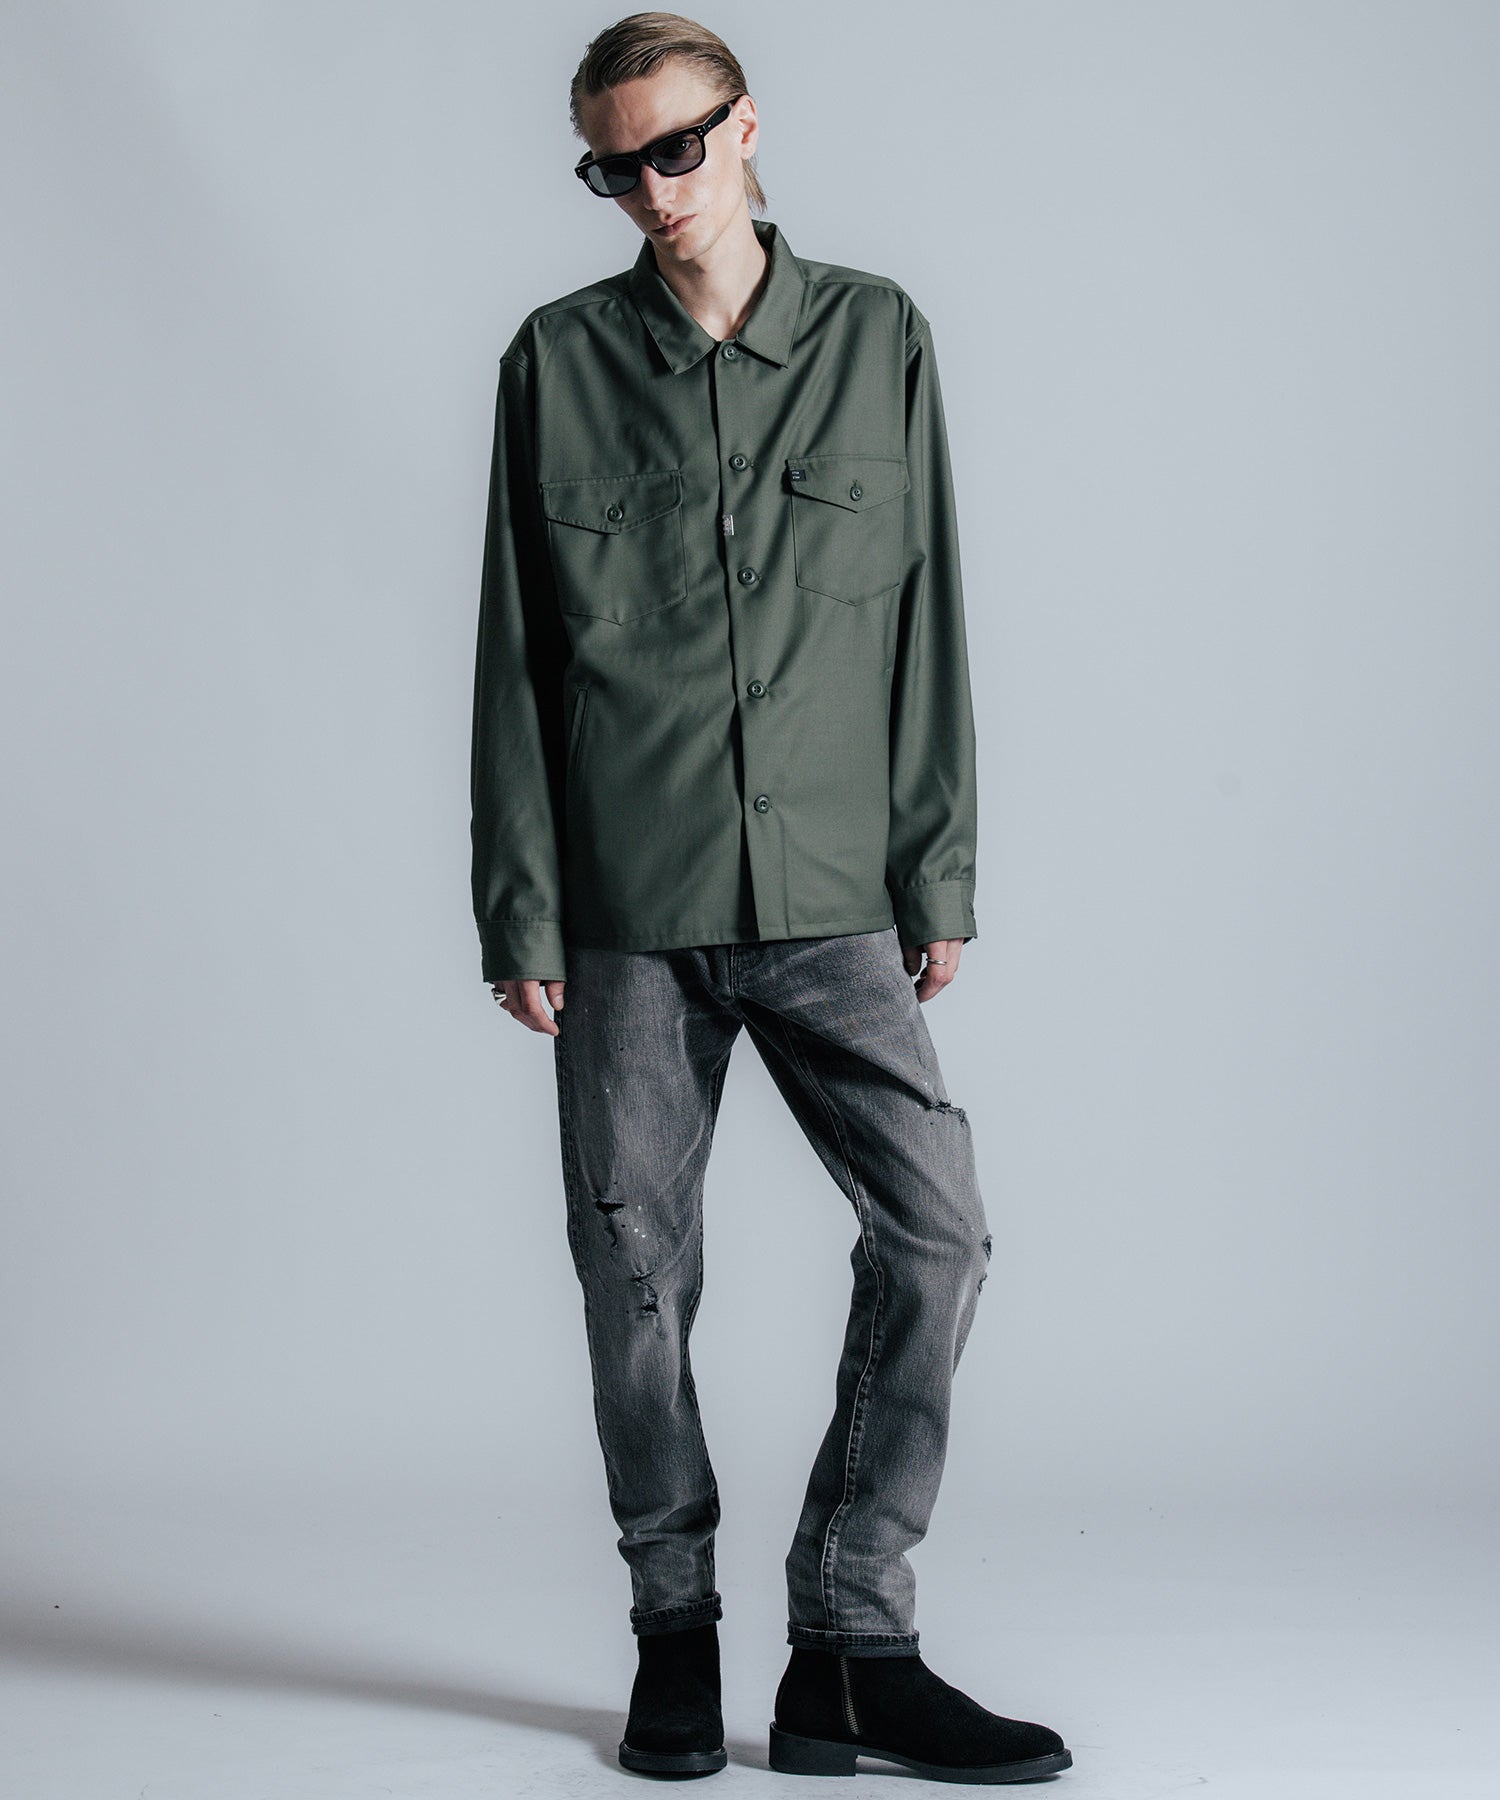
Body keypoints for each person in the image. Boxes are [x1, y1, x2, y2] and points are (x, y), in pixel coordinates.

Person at [470, 12, 1072, 1784]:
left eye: (678, 148)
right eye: (615, 168)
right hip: (625, 905)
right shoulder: (557, 359)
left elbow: (929, 617)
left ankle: (852, 1642)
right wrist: (520, 909)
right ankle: (674, 1630)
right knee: (636, 1274)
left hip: (827, 894)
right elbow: (515, 654)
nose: (654, 192)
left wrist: (935, 864)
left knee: (938, 1233)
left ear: (746, 128)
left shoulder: (880, 337)